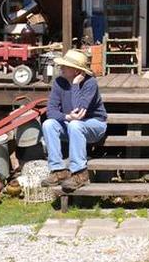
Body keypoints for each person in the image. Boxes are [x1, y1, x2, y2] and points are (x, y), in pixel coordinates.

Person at [40, 49, 107, 192]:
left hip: (94, 125)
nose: (61, 68)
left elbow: (78, 110)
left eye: (65, 66)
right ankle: (58, 170)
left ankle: (80, 173)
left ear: (77, 71)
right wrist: (66, 117)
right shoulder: (59, 82)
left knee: (76, 125)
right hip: (71, 125)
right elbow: (51, 111)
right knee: (48, 124)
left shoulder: (90, 84)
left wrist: (76, 85)